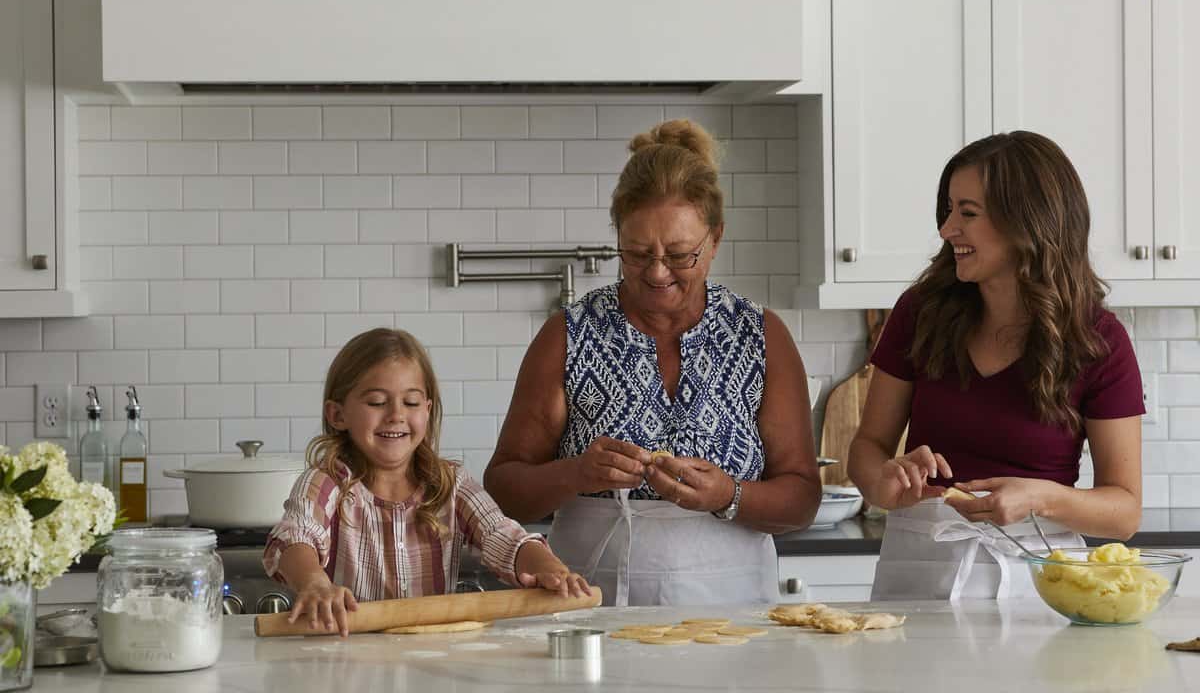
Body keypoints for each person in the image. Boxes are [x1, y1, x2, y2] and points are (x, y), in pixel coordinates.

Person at [484, 118, 822, 607]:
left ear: (716, 239)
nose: (658, 272)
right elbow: (504, 489)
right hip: (592, 611)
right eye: (638, 254)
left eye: (681, 255)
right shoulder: (569, 335)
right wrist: (577, 473)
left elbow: (802, 498)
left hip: (733, 613)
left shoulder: (760, 336)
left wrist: (729, 495)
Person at [847, 131, 1144, 601]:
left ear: (1027, 223)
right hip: (920, 569)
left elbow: (1124, 512)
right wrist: (884, 486)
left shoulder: (1099, 341)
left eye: (967, 213)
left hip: (1041, 580)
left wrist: (1040, 497)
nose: (947, 229)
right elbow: (869, 446)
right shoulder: (919, 312)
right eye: (948, 210)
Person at [263, 328, 590, 636]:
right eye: (377, 402)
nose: (396, 415)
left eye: (411, 402)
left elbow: (501, 535)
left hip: (431, 659)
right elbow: (295, 539)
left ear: (428, 410)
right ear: (338, 415)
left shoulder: (451, 484)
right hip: (348, 656)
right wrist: (314, 583)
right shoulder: (327, 483)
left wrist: (548, 566)